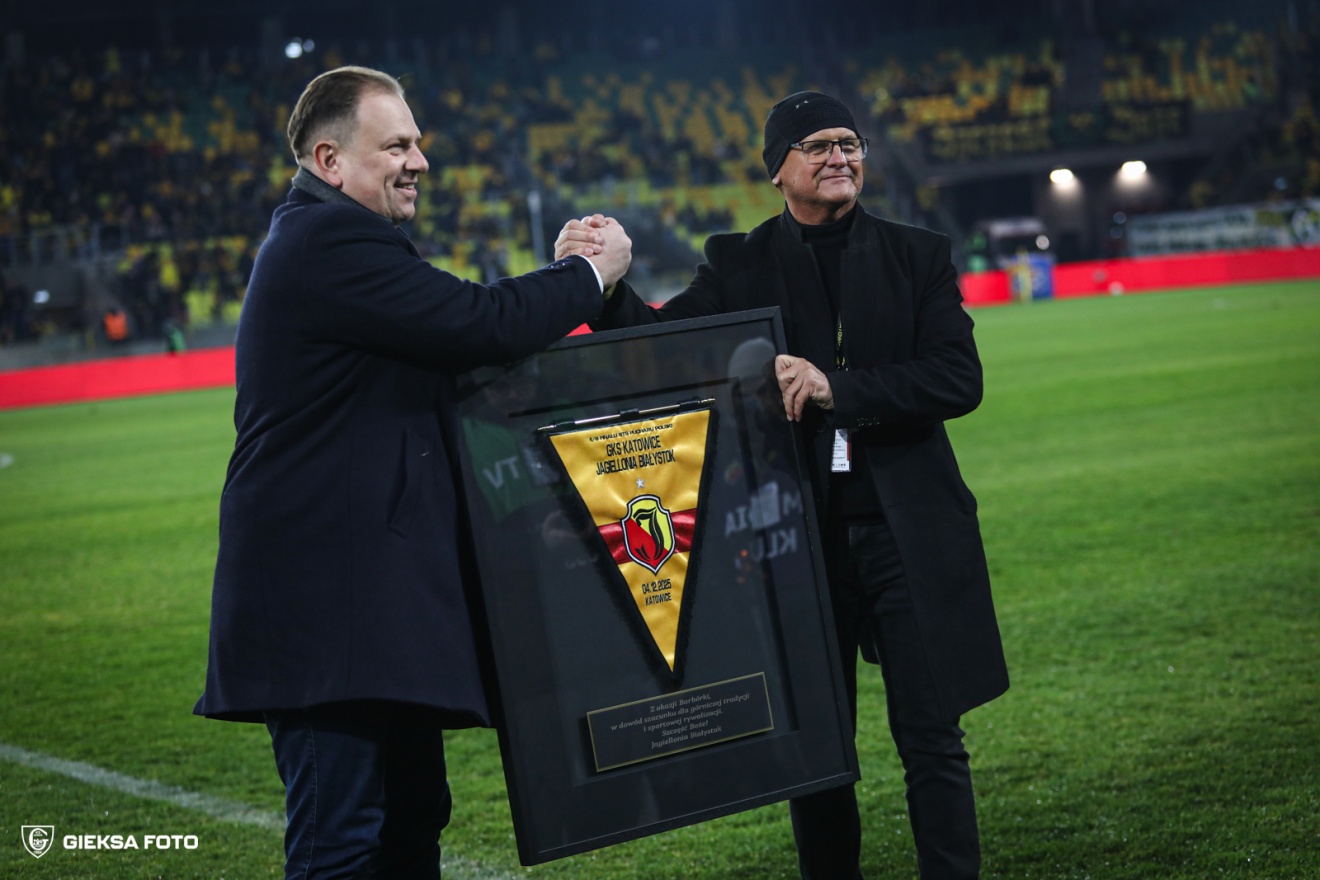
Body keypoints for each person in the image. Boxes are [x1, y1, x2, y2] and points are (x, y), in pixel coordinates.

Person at [556, 91, 1008, 880]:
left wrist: (839, 389)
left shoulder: (919, 253)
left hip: (907, 534)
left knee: (932, 739)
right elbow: (665, 347)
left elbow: (957, 379)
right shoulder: (739, 262)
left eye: (850, 142)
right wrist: (597, 280)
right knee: (818, 750)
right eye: (818, 145)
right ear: (778, 169)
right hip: (796, 541)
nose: (840, 157)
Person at [194, 65, 631, 880]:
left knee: (408, 819)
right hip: (328, 608)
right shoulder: (325, 242)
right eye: (395, 145)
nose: (419, 161)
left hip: (371, 604)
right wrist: (587, 276)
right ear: (330, 161)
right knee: (341, 841)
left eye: (417, 144)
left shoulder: (341, 243)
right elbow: (477, 322)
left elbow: (462, 345)